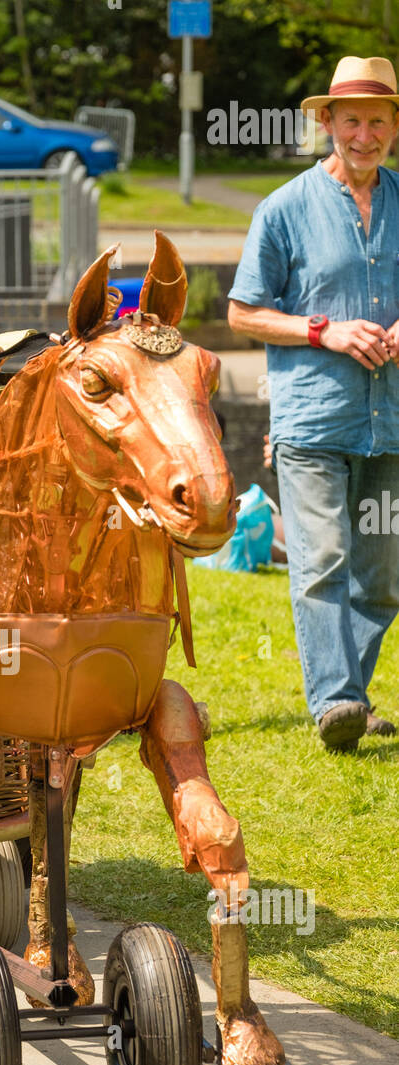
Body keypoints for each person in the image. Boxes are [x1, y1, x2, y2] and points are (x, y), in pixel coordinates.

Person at [228, 54, 399, 751]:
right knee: (323, 559)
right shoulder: (285, 209)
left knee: (381, 576)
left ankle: (351, 696)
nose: (364, 134)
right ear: (326, 122)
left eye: (378, 121)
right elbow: (243, 313)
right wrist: (322, 329)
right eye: (351, 119)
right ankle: (335, 703)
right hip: (313, 419)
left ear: (394, 127)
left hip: (389, 422)